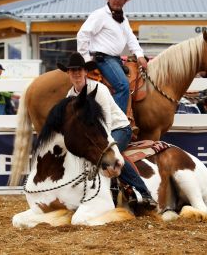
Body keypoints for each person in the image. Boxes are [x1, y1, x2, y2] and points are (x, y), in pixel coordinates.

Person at [57, 53, 156, 210]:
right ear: (68, 73)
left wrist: (104, 145)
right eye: (72, 70)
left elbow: (106, 122)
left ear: (85, 72)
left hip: (119, 128)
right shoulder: (70, 96)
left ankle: (144, 193)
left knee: (112, 156)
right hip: (97, 135)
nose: (76, 73)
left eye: (79, 70)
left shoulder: (99, 89)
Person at [76, 0, 147, 116]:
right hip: (104, 59)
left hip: (115, 59)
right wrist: (86, 59)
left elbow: (131, 37)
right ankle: (115, 123)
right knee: (123, 86)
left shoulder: (123, 18)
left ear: (125, 1)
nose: (117, 0)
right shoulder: (100, 15)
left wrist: (139, 55)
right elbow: (83, 34)